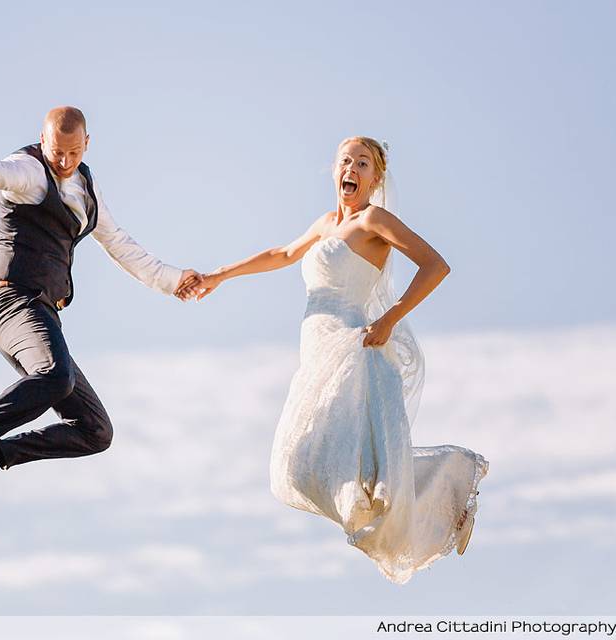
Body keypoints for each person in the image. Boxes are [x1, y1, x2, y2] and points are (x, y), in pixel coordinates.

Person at [185, 137, 488, 583]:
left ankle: (450, 482)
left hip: (357, 349)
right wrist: (219, 276)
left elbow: (435, 265)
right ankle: (444, 489)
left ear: (375, 178)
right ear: (335, 171)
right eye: (346, 160)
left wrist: (389, 319)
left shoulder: (375, 220)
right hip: (317, 354)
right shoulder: (326, 223)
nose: (352, 168)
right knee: (298, 467)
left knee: (358, 479)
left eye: (362, 163)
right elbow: (284, 255)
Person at [0, 106, 199, 517]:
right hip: (12, 304)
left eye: (73, 153)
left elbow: (120, 244)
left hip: (44, 312)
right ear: (43, 141)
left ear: (87, 144)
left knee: (95, 431)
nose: (65, 163)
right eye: (56, 153)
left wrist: (174, 281)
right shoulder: (29, 171)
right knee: (54, 377)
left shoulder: (86, 188)